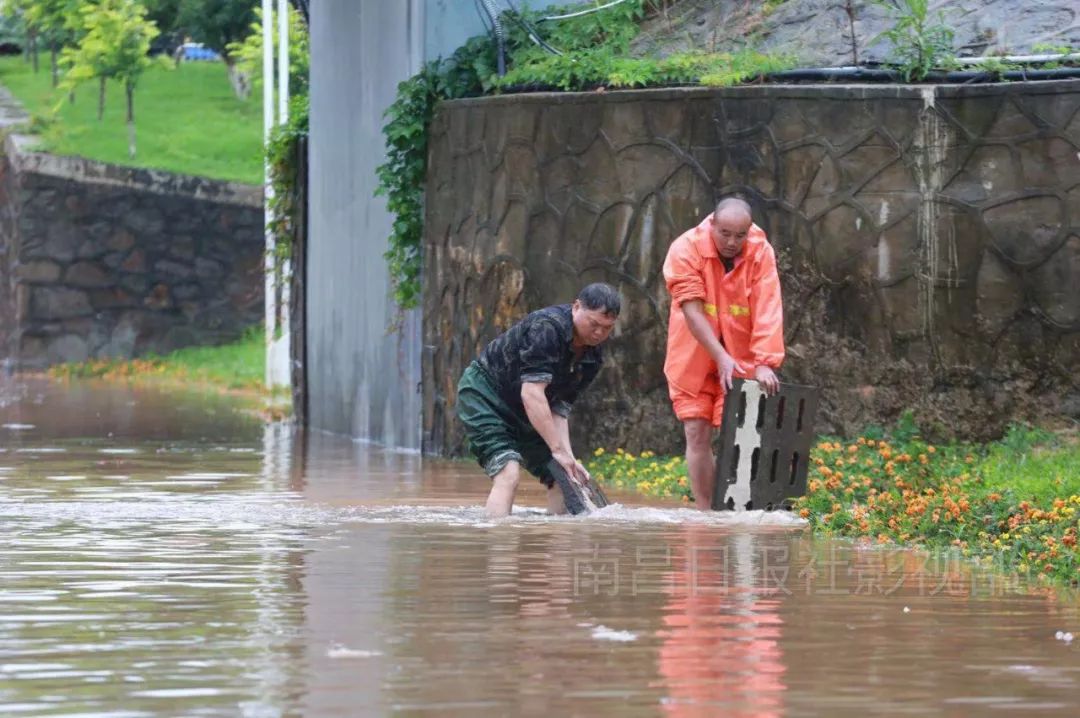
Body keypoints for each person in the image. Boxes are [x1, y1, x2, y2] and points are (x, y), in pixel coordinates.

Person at [457, 283, 621, 517]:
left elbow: (559, 409)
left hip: (530, 409)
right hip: (485, 395)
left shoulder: (593, 356)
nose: (598, 334)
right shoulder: (547, 328)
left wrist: (568, 458)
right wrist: (557, 449)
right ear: (576, 307)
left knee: (562, 477)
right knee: (509, 473)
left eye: (607, 328)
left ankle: (554, 551)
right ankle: (499, 548)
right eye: (593, 324)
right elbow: (532, 393)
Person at [663, 197, 785, 508]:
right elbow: (691, 312)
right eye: (725, 234)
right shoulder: (685, 248)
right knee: (695, 429)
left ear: (749, 231)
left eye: (740, 235)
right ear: (712, 225)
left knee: (738, 431)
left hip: (742, 353)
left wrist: (764, 362)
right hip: (693, 353)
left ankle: (739, 509)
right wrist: (719, 356)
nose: (732, 242)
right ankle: (707, 513)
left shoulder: (761, 252)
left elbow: (768, 307)